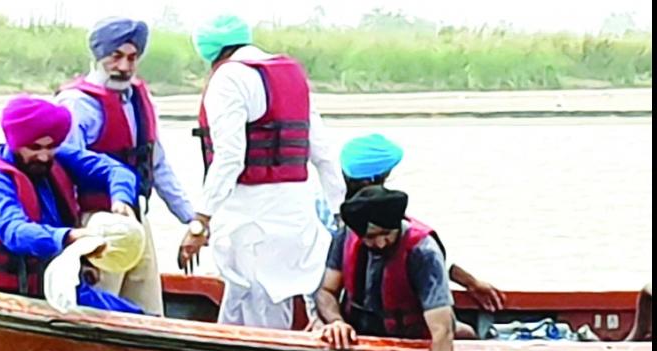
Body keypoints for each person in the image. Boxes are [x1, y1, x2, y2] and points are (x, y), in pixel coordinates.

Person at [178, 15, 346, 329]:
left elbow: (229, 157)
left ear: (208, 50)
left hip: (251, 219)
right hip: (296, 216)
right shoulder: (291, 74)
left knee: (260, 307)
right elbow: (323, 152)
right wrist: (339, 210)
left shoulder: (228, 79)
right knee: (244, 299)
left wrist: (201, 221)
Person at [56, 17, 196, 316]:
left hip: (134, 216)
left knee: (148, 305)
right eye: (116, 57)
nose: (124, 67)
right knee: (101, 307)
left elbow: (157, 164)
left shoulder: (139, 101)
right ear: (98, 57)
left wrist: (191, 219)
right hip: (95, 221)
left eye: (132, 58)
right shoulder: (76, 105)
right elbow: (63, 172)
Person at [0, 95, 143, 314]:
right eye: (35, 148)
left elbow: (114, 170)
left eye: (51, 146)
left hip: (60, 286)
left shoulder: (58, 157)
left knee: (138, 315)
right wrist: (69, 237)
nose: (44, 156)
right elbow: (16, 232)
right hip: (13, 296)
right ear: (16, 143)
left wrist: (120, 198)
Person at [318, 134, 506, 313]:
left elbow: (419, 252)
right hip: (343, 305)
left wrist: (470, 282)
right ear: (373, 180)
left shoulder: (380, 210)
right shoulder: (350, 219)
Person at [315, 186, 454, 351]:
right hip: (359, 333)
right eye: (370, 237)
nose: (380, 243)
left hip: (412, 338)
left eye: (386, 234)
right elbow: (326, 291)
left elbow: (442, 331)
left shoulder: (423, 252)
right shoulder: (345, 237)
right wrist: (336, 322)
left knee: (461, 333)